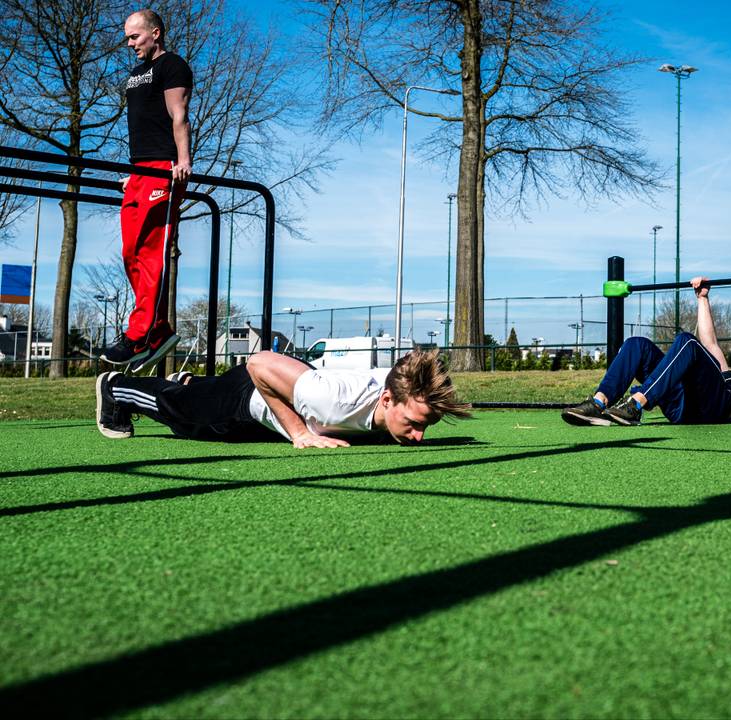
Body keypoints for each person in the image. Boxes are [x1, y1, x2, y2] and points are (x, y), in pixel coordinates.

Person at [95, 349, 471, 447]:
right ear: (386, 400)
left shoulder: (400, 390)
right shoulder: (331, 401)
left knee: (198, 398)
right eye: (415, 424)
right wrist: (298, 433)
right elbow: (259, 364)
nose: (419, 437)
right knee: (186, 417)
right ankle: (116, 389)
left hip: (293, 392)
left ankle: (192, 382)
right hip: (251, 394)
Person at [562, 277, 731, 426]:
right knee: (638, 344)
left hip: (716, 409)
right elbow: (710, 344)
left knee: (687, 341)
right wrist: (702, 298)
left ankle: (636, 405)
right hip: (688, 402)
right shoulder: (727, 377)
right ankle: (598, 403)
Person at [101, 9, 194, 373]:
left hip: (163, 168)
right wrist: (132, 173)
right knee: (130, 250)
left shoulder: (173, 66)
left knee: (152, 249)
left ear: (155, 33)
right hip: (139, 169)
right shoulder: (135, 74)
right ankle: (157, 330)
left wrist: (182, 161)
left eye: (135, 37)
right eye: (127, 37)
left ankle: (140, 333)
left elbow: (178, 114)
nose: (129, 44)